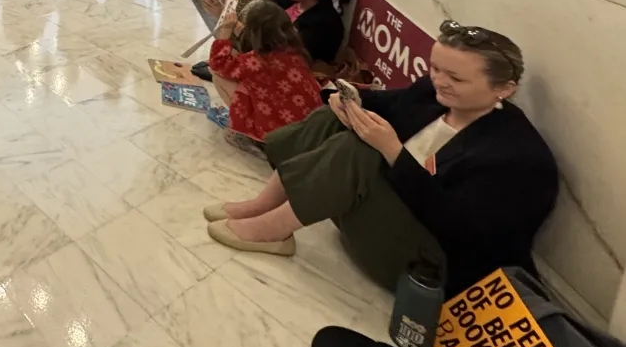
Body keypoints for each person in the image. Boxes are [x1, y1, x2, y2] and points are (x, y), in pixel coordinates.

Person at [205, 22, 559, 297]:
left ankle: (274, 231)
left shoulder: (519, 157)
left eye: (455, 77)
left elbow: (461, 230)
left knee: (359, 149)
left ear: (504, 89)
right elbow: (388, 103)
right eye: (436, 69)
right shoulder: (435, 94)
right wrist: (342, 98)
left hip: (429, 266)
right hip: (389, 217)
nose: (439, 81)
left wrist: (393, 152)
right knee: (335, 120)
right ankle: (264, 206)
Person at [192, 0, 360, 83]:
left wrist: (231, 22)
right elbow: (260, 10)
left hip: (282, 67)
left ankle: (232, 64)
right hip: (262, 47)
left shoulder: (323, 24)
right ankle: (231, 57)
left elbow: (284, 56)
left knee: (253, 9)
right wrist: (229, 1)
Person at [206, 1, 321, 142]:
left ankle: (249, 136)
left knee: (219, 77)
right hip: (307, 127)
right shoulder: (295, 51)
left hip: (276, 132)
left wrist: (225, 31)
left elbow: (218, 64)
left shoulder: (258, 60)